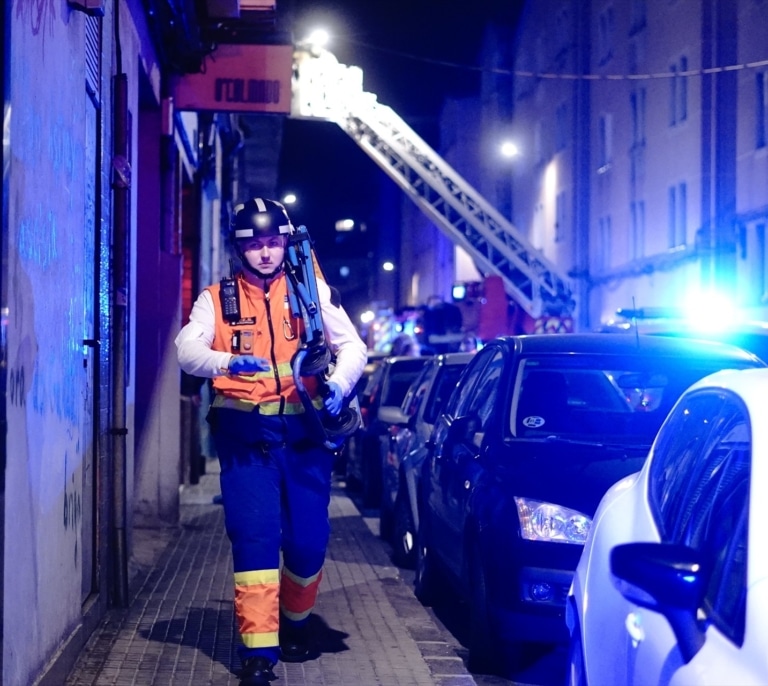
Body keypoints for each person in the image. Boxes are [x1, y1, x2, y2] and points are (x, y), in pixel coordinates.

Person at [175, 198, 367, 686]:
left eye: (273, 243)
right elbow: (187, 350)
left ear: (286, 244)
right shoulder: (216, 300)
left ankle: (295, 622)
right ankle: (259, 653)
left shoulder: (310, 294)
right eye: (255, 244)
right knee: (255, 540)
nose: (265, 253)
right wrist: (225, 362)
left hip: (304, 440)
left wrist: (338, 385)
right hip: (247, 443)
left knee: (307, 544)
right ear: (239, 249)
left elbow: (353, 346)